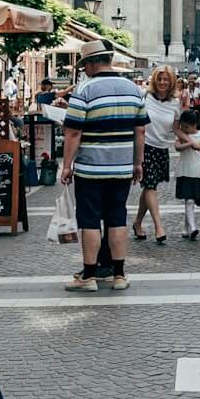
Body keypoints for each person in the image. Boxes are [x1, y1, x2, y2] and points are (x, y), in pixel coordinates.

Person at [60, 39, 146, 293]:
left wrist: (67, 165)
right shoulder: (133, 89)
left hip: (91, 168)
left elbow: (73, 133)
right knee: (117, 218)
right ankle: (119, 275)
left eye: (84, 64)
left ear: (91, 63)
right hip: (121, 166)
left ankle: (88, 276)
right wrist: (137, 163)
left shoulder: (84, 90)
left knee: (89, 221)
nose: (84, 69)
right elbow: (140, 130)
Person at [134, 66, 180, 244]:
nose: (162, 82)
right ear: (154, 80)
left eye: (166, 79)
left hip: (161, 149)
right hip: (144, 147)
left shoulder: (175, 103)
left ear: (171, 82)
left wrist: (191, 141)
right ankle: (158, 226)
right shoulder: (144, 97)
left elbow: (176, 129)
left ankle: (137, 223)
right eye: (159, 79)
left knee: (149, 187)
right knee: (151, 186)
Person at [172, 108, 200, 242]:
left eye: (186, 126)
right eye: (182, 125)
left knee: (190, 200)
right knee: (188, 200)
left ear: (195, 125)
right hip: (183, 170)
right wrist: (190, 143)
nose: (183, 128)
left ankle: (189, 228)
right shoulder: (182, 136)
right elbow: (177, 147)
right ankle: (191, 228)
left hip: (196, 171)